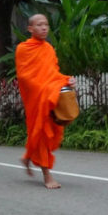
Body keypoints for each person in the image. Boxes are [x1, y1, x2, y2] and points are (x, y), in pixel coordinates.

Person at [15, 14, 76, 189]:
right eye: (39, 25)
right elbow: (25, 77)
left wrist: (66, 80)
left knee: (44, 133)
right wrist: (46, 89)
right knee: (40, 133)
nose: (43, 28)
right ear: (30, 29)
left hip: (48, 96)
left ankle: (27, 157)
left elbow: (53, 73)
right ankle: (47, 176)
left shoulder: (49, 48)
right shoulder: (23, 49)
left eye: (46, 24)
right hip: (38, 98)